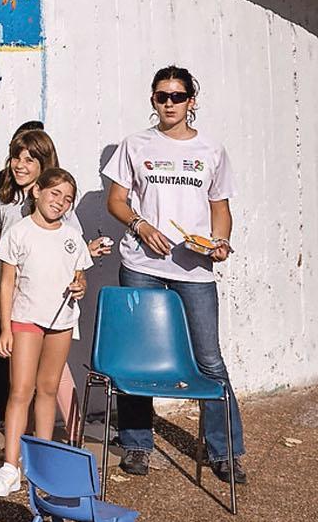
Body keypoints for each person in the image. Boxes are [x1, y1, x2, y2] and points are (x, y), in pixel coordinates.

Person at [103, 66, 243, 483]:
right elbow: (116, 201)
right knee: (137, 360)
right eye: (161, 96)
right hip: (141, 265)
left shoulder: (212, 150)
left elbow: (220, 208)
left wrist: (219, 243)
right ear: (152, 101)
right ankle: (136, 444)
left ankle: (224, 450)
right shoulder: (134, 145)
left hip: (194, 270)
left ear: (191, 102)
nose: (168, 103)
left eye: (177, 96)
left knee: (209, 360)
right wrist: (140, 226)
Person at [0, 169, 93, 498]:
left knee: (48, 390)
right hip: (25, 320)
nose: (60, 202)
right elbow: (6, 284)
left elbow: (81, 278)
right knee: (21, 391)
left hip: (61, 322)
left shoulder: (72, 235)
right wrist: (5, 328)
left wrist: (80, 286)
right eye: (54, 193)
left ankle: (43, 461)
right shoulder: (18, 233)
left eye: (67, 199)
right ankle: (10, 466)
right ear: (37, 191)